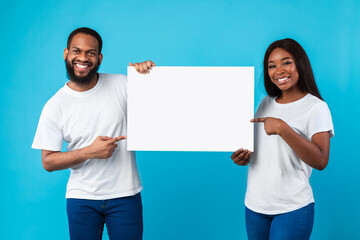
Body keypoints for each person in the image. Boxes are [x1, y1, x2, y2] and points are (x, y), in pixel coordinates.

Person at [32, 27, 155, 240]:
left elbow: (163, 105)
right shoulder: (55, 105)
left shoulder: (122, 84)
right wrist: (89, 152)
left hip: (125, 195)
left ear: (99, 58)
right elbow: (48, 161)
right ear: (66, 53)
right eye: (76, 51)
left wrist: (147, 75)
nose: (83, 57)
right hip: (81, 199)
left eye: (91, 53)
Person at [231, 38, 334, 240]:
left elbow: (321, 160)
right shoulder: (265, 103)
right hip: (255, 205)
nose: (279, 70)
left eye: (286, 62)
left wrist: (282, 127)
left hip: (292, 207)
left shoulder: (316, 107)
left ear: (300, 64)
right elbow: (266, 151)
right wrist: (244, 157)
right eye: (272, 66)